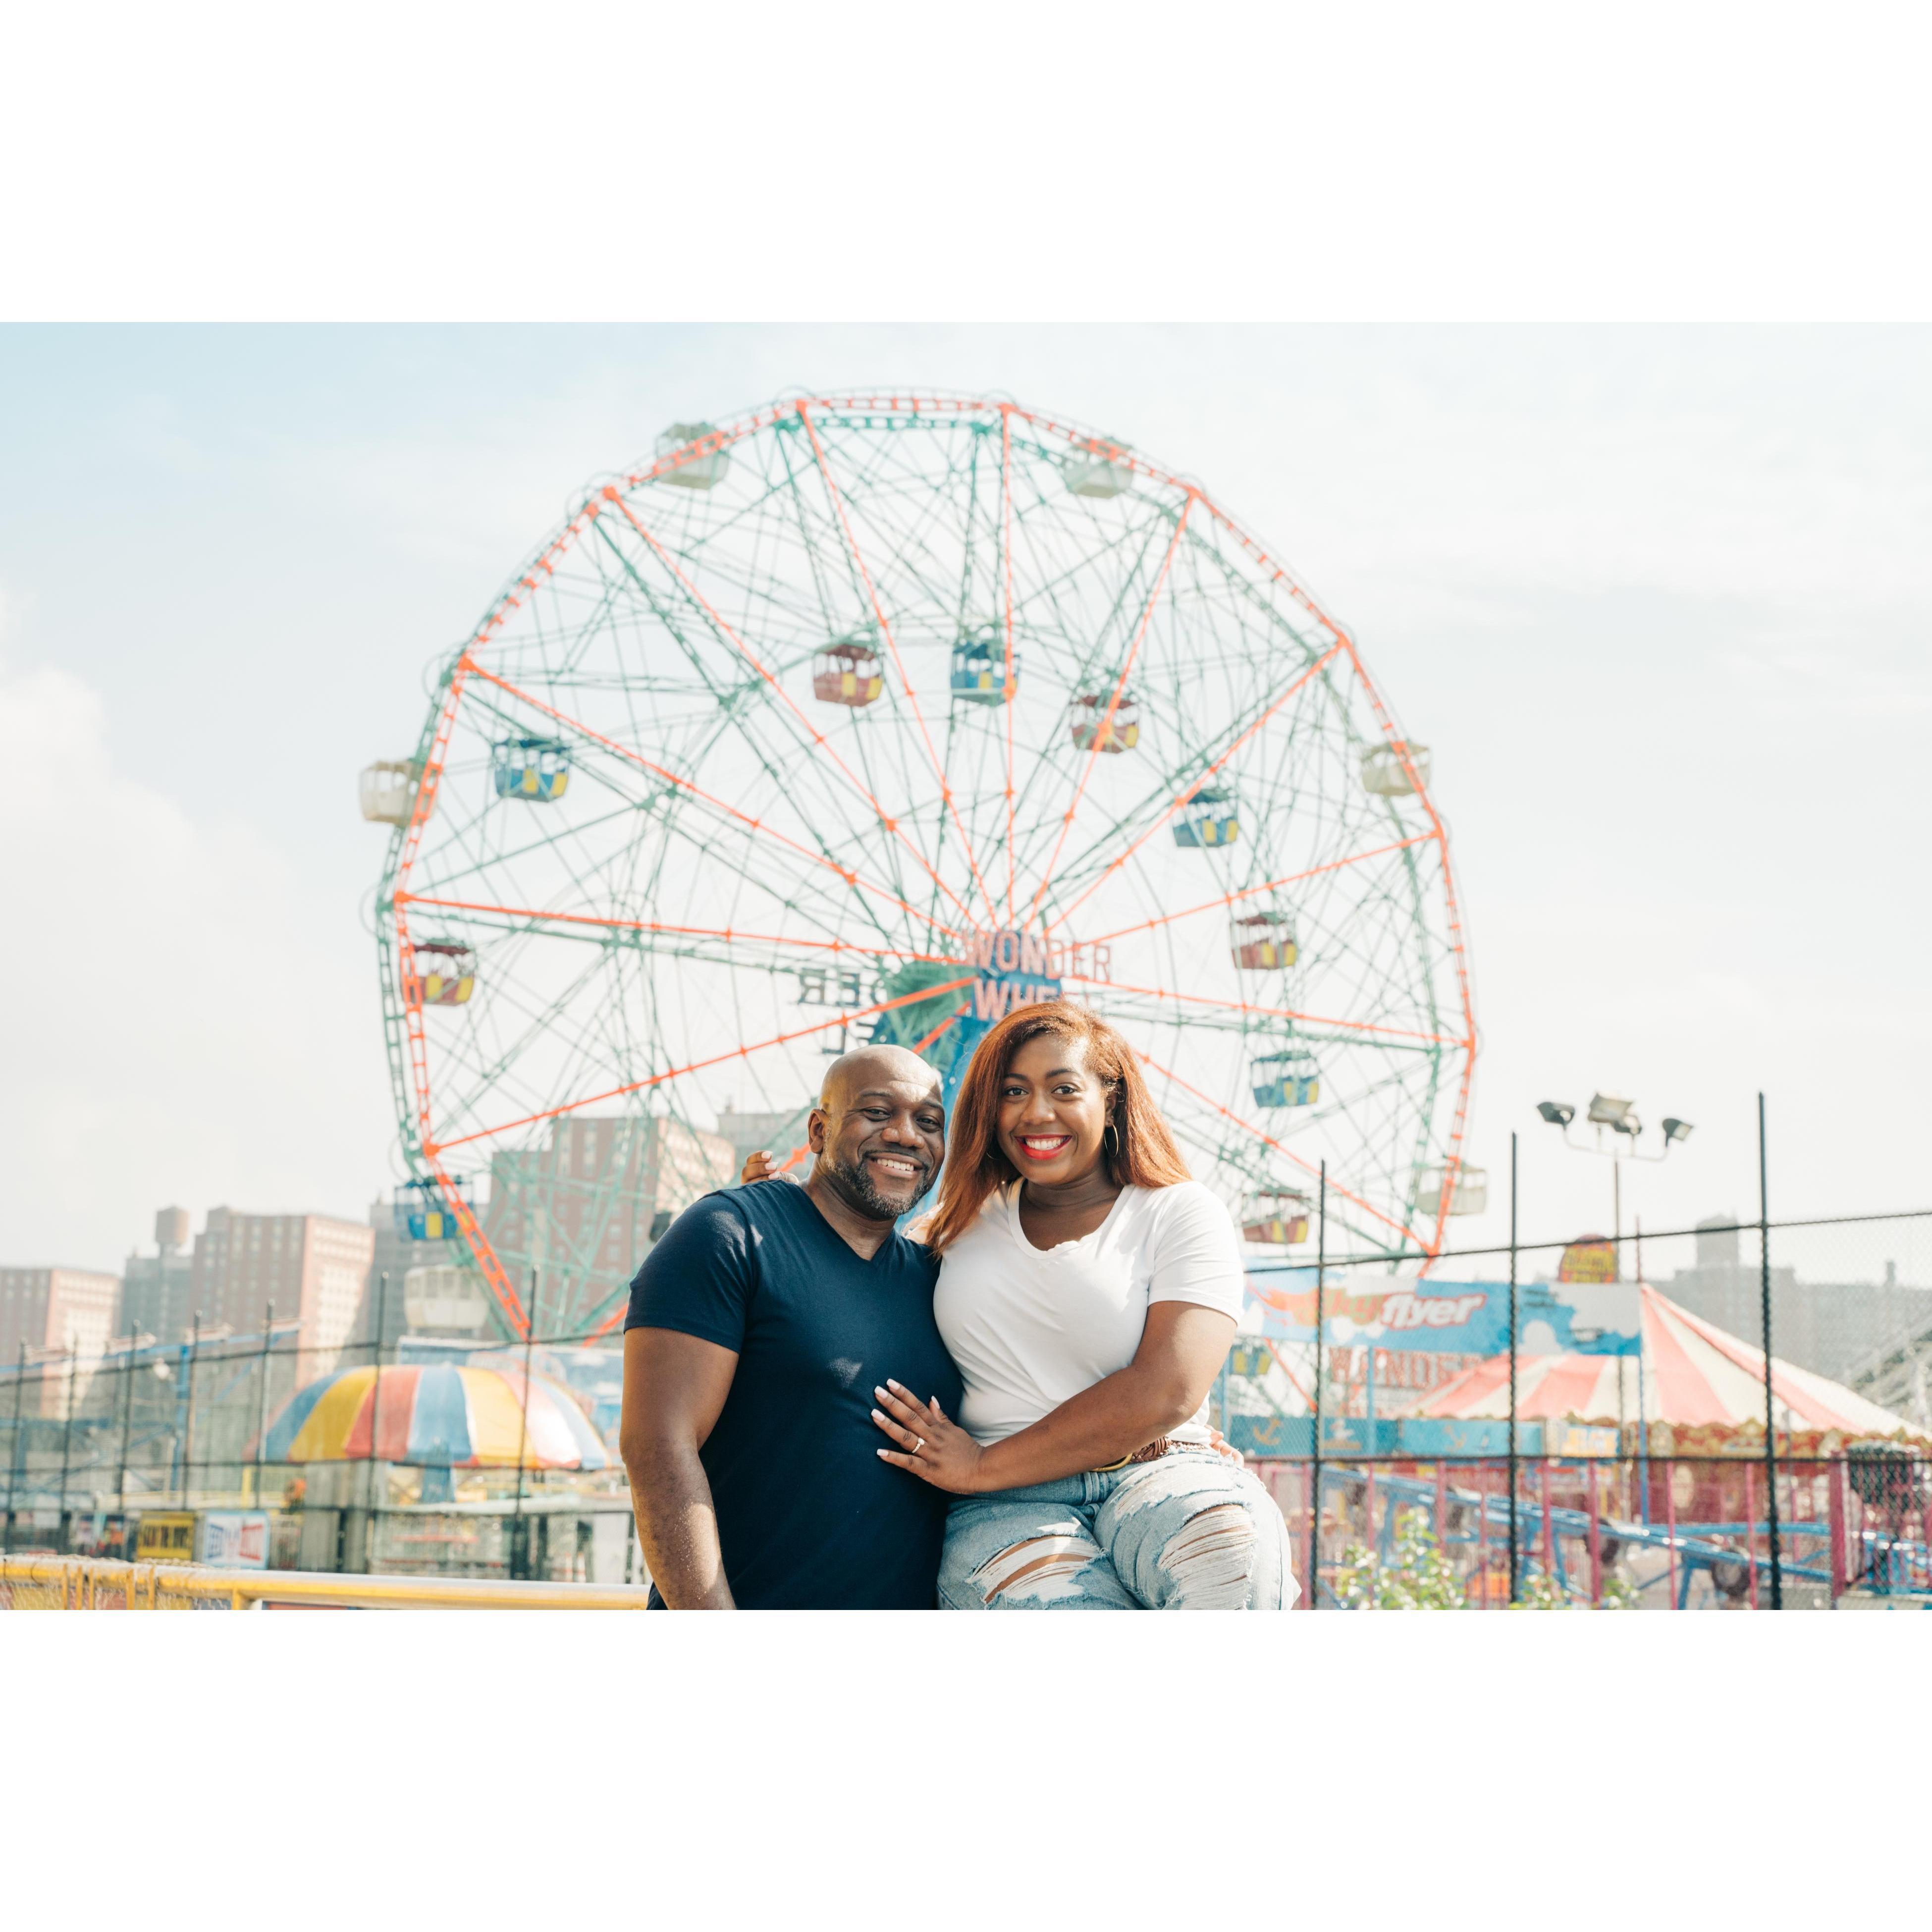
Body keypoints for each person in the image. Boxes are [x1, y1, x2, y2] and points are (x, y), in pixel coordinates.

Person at [746, 1001, 1294, 1611]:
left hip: (1159, 1469)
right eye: (1013, 1092)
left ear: (1110, 1100)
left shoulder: (1179, 1212)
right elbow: (842, 1276)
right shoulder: (946, 1232)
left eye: (1063, 1088)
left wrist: (981, 1464)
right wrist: (776, 1215)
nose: (1036, 1112)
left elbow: (1167, 1390)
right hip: (1009, 1504)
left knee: (1232, 1561)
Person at [619, 1044, 959, 1608]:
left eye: (929, 1122)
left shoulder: (938, 1279)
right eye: (877, 1113)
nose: (906, 1136)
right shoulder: (729, 1233)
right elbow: (656, 1446)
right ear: (819, 1130)